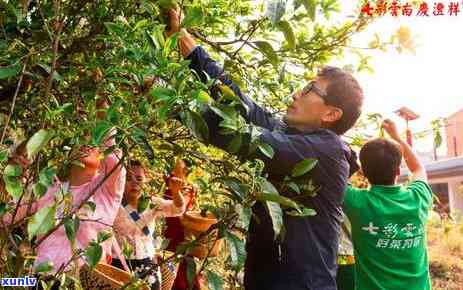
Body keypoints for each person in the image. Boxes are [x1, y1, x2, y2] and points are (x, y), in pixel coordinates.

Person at [164, 9, 364, 290]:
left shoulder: (326, 151)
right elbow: (243, 105)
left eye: (309, 89)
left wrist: (166, 97)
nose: (296, 94)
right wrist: (184, 40)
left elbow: (245, 137)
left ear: (331, 114)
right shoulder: (289, 134)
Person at [3, 98, 126, 276]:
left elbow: (114, 156)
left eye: (94, 140)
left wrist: (102, 108)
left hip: (81, 283)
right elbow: (6, 218)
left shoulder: (105, 192)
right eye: (83, 138)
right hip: (38, 282)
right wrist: (10, 177)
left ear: (101, 159)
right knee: (7, 284)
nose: (88, 141)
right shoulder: (48, 190)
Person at [343, 119, 433, 290]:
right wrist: (397, 138)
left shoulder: (356, 201)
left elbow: (334, 177)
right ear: (398, 170)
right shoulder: (418, 197)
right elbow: (419, 169)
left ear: (363, 173)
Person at [111, 159, 187, 290]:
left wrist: (176, 192)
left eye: (139, 179)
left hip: (147, 263)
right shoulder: (113, 203)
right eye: (128, 178)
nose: (134, 183)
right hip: (117, 263)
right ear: (121, 180)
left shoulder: (152, 204)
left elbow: (178, 209)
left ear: (145, 180)